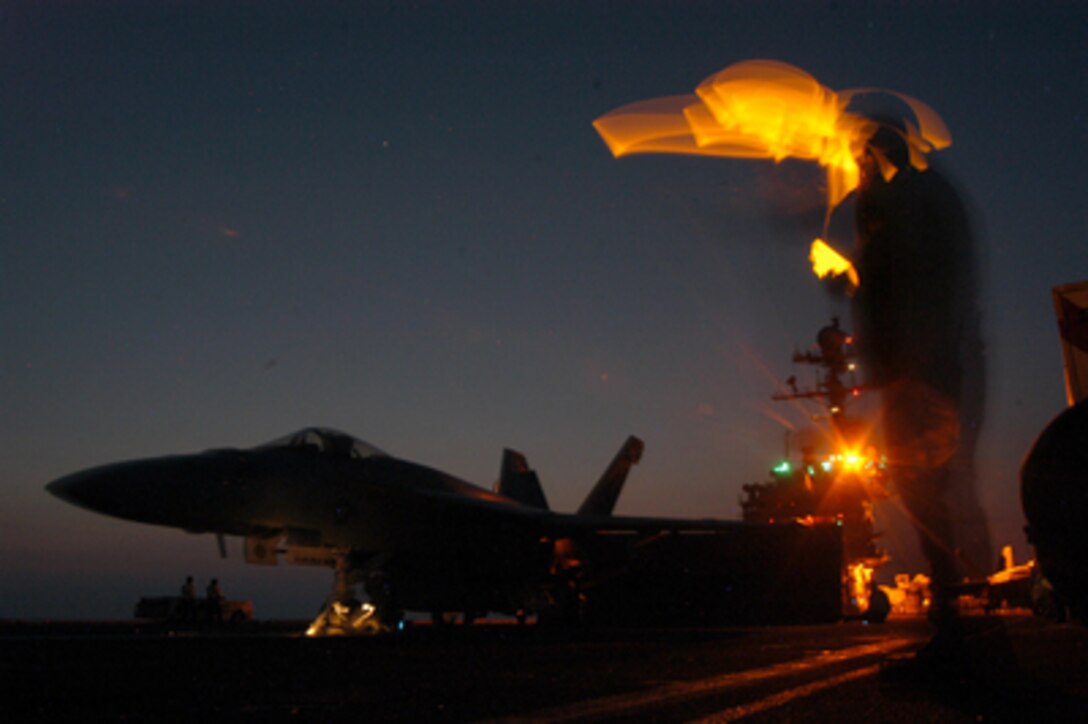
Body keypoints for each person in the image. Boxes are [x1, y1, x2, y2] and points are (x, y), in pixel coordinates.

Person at [850, 120, 992, 620]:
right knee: (927, 484)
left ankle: (955, 615)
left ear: (878, 151)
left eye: (860, 153)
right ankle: (956, 608)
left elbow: (897, 278)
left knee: (922, 484)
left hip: (918, 364)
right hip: (919, 362)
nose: (854, 163)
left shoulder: (903, 203)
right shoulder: (917, 199)